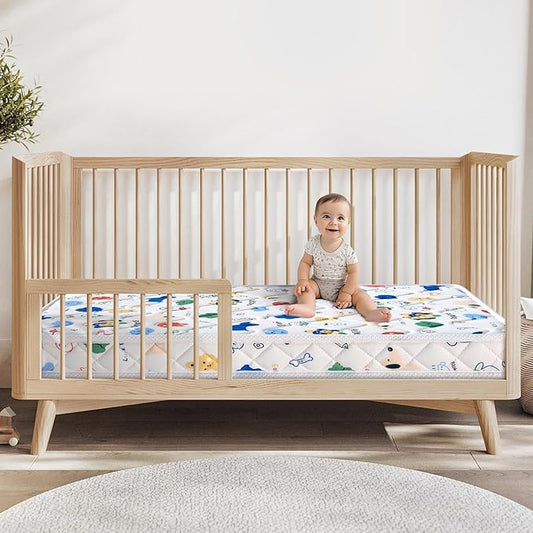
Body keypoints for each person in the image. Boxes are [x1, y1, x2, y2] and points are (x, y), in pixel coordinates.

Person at [285, 193, 391, 322]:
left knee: (360, 295)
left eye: (340, 218)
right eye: (326, 216)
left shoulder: (347, 251)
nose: (333, 222)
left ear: (348, 222)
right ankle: (307, 307)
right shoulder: (313, 243)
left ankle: (370, 312)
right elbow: (305, 263)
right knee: (305, 290)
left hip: (341, 287)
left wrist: (346, 293)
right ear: (315, 220)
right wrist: (302, 280)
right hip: (317, 284)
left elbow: (353, 272)